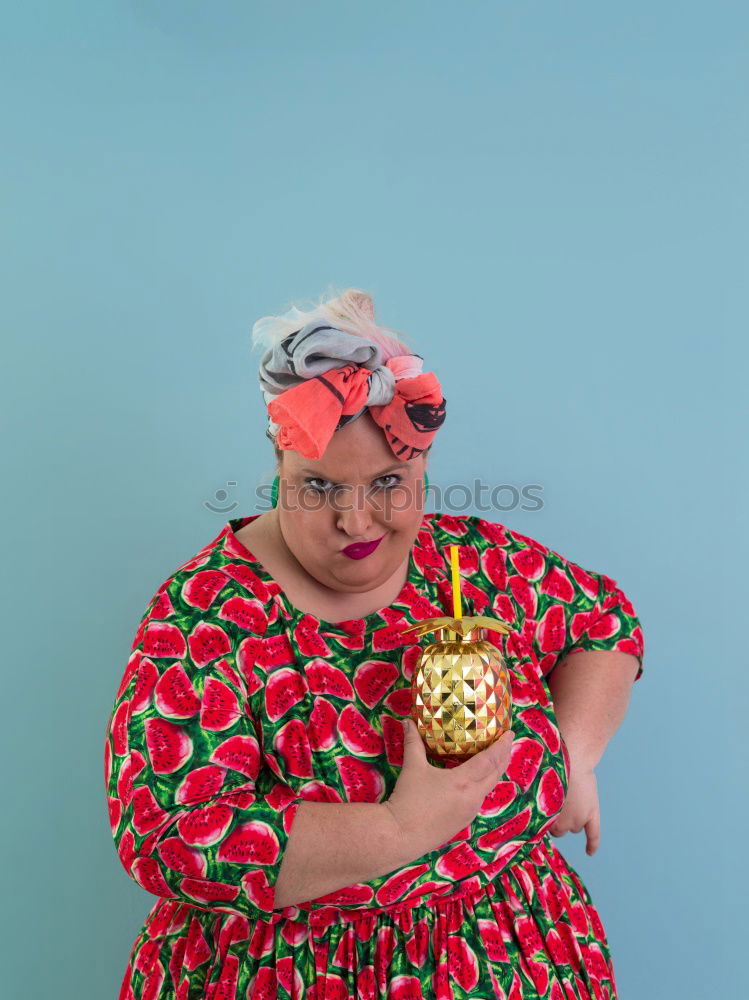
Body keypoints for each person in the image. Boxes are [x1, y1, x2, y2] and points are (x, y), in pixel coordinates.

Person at [104, 288, 644, 1000]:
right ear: (278, 463)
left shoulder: (471, 560)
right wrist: (401, 826)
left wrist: (572, 757)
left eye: (388, 482)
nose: (355, 522)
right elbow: (167, 833)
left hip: (522, 955)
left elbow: (601, 623)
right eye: (318, 488)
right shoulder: (208, 614)